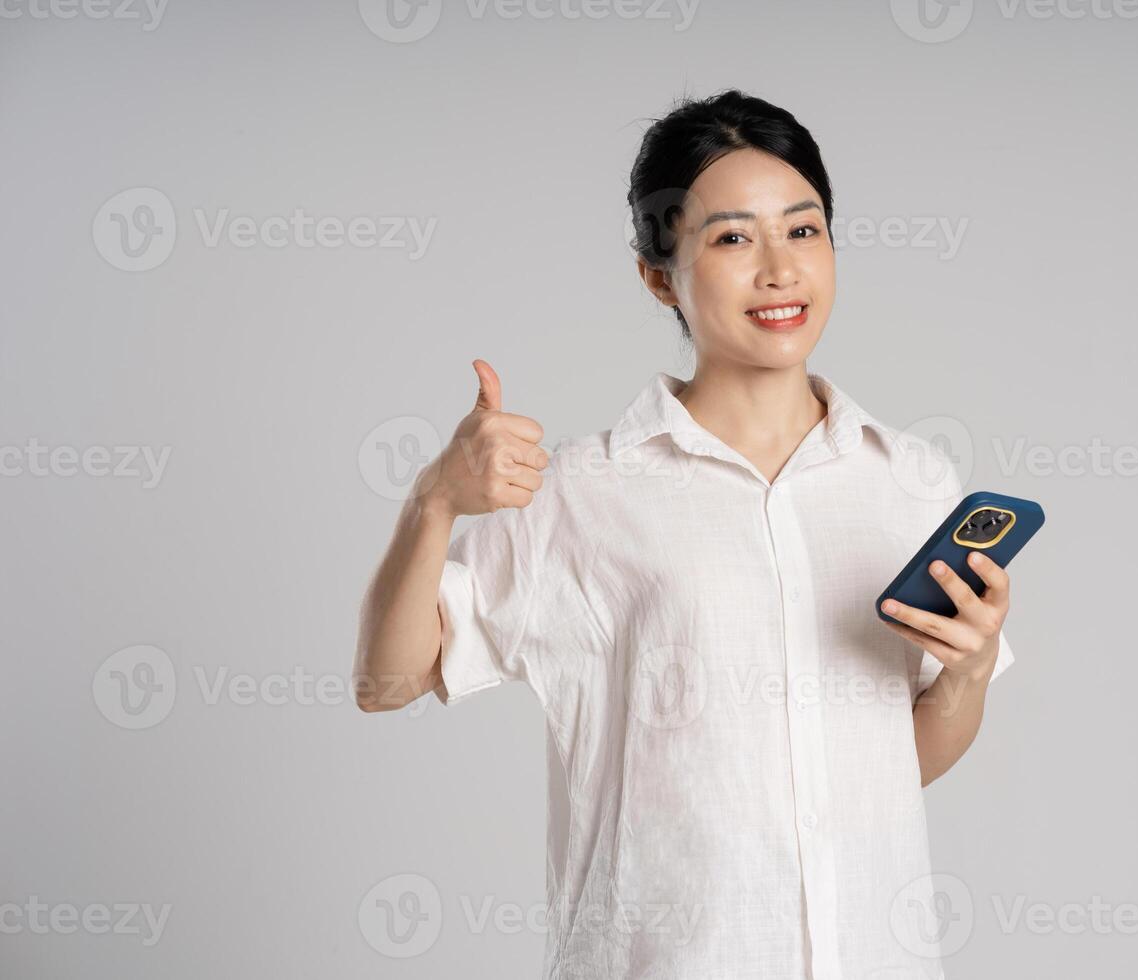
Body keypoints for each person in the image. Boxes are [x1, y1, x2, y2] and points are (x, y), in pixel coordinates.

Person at [354, 88, 1019, 980]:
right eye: (733, 238)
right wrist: (432, 501)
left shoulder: (908, 480)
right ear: (659, 275)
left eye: (805, 229)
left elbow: (886, 775)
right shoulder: (584, 493)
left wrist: (967, 674)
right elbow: (387, 681)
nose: (781, 270)